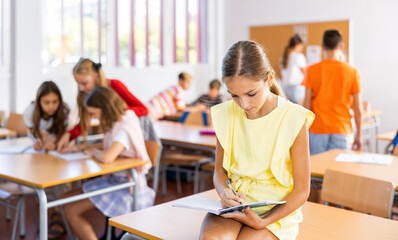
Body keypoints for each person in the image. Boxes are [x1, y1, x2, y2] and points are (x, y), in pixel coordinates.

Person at [200, 40, 314, 240]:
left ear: (269, 79)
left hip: (275, 212)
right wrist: (224, 193)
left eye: (251, 94)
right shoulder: (225, 113)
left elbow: (302, 190)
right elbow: (219, 171)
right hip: (235, 206)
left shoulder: (294, 118)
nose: (243, 104)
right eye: (234, 95)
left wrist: (264, 221)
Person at [64, 87, 154, 240]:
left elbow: (107, 157)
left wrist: (92, 152)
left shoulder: (125, 125)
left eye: (94, 113)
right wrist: (88, 147)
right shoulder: (117, 121)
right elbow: (112, 145)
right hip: (115, 182)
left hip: (128, 188)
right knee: (67, 198)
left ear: (105, 109)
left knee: (71, 210)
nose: (93, 117)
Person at [57, 58, 158, 153]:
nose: (81, 88)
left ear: (95, 75)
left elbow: (143, 109)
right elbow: (85, 120)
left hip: (136, 132)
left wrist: (115, 113)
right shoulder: (87, 93)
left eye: (84, 83)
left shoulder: (115, 85)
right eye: (78, 84)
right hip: (117, 136)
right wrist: (69, 135)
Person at [303, 29, 362, 155]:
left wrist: (304, 132)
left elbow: (306, 105)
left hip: (317, 129)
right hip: (341, 128)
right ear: (341, 46)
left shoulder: (312, 70)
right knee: (338, 171)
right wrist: (359, 136)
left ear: (322, 47)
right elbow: (358, 109)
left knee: (317, 172)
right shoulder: (352, 72)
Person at [23, 81, 69, 151]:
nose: (51, 107)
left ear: (60, 100)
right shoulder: (29, 112)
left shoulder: (64, 111)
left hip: (57, 151)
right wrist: (37, 143)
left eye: (55, 102)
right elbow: (34, 135)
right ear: (39, 102)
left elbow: (64, 136)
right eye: (46, 103)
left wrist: (56, 144)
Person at [280, 34, 307, 104]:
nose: (302, 48)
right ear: (297, 45)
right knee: (299, 113)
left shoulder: (283, 58)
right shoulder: (299, 56)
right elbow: (306, 72)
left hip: (285, 89)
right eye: (301, 46)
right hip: (297, 90)